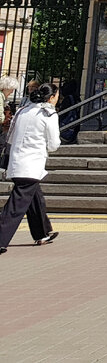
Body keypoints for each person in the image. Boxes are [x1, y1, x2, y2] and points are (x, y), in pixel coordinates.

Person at [0, 82, 61, 253]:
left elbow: (10, 137)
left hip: (17, 161)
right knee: (16, 205)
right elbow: (54, 144)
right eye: (57, 96)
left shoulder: (22, 111)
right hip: (32, 164)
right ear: (51, 98)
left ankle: (42, 233)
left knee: (35, 198)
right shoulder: (49, 114)